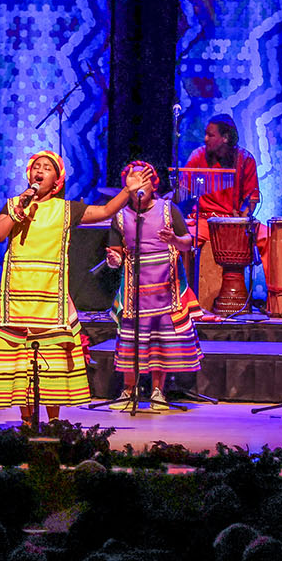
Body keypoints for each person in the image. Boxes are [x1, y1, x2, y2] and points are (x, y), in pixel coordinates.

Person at [0, 151, 152, 425]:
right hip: (16, 299)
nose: (40, 171)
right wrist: (18, 211)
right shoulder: (16, 203)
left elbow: (106, 211)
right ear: (29, 175)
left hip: (50, 298)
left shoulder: (66, 209)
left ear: (57, 181)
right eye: (36, 167)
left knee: (51, 363)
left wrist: (127, 190)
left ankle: (53, 422)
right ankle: (26, 421)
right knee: (19, 363)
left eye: (47, 168)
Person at [102, 161, 203, 411]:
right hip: (134, 289)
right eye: (134, 179)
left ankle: (158, 391)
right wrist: (114, 260)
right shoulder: (120, 216)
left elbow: (187, 244)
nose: (140, 184)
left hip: (165, 287)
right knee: (130, 339)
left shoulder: (169, 210)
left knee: (160, 340)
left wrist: (174, 239)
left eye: (144, 179)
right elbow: (115, 254)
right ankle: (128, 391)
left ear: (154, 184)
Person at [182, 113, 260, 310]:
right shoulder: (198, 156)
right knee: (181, 242)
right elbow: (182, 191)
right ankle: (182, 304)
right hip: (204, 221)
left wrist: (242, 217)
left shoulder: (245, 159)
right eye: (205, 134)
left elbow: (252, 198)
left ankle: (281, 304)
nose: (205, 139)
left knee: (271, 237)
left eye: (210, 135)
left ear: (225, 137)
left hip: (234, 223)